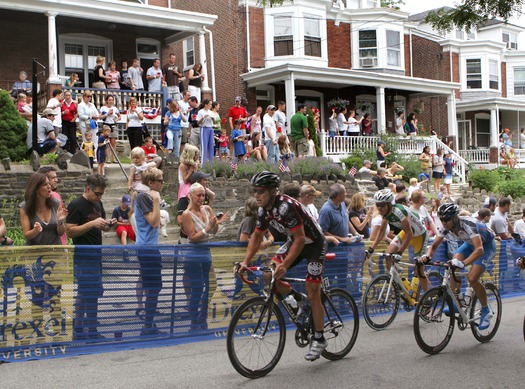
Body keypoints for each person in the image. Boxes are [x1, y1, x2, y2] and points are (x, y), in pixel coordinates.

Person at [238, 172, 328, 361]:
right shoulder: (263, 210)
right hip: (294, 240)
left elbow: (301, 238)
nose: (257, 195)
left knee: (313, 291)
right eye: (254, 191)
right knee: (268, 274)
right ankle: (295, 298)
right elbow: (256, 236)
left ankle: (319, 338)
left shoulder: (287, 206)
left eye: (260, 191)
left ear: (272, 191)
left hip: (313, 244)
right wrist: (246, 261)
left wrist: (285, 265)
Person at [420, 203, 496, 330]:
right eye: (442, 219)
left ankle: (485, 309)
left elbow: (479, 249)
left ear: (455, 218)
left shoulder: (468, 224)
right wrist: (427, 256)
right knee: (452, 265)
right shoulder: (446, 227)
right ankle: (458, 301)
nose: (444, 223)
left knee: (472, 278)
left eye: (446, 220)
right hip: (469, 244)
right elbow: (433, 246)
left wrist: (464, 263)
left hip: (485, 245)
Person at [67, 174, 114, 339]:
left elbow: (101, 227)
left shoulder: (98, 203)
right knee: (90, 292)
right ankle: (91, 330)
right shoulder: (76, 205)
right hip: (83, 254)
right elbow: (69, 231)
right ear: (87, 188)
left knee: (87, 291)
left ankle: (79, 326)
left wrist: (108, 225)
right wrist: (92, 224)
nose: (99, 197)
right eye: (97, 193)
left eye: (101, 194)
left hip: (96, 253)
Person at [181, 182, 229, 331]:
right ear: (191, 196)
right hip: (193, 253)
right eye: (199, 195)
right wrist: (207, 228)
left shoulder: (207, 209)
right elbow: (193, 237)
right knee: (197, 288)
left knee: (210, 286)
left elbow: (213, 232)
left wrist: (216, 224)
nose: (202, 198)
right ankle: (194, 322)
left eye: (203, 195)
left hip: (206, 252)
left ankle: (202, 318)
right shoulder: (186, 214)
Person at [366, 189, 430, 292]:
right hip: (406, 233)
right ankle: (400, 287)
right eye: (378, 205)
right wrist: (371, 249)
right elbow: (381, 232)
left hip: (419, 235)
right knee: (388, 255)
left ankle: (428, 297)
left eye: (382, 205)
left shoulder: (399, 211)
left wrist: (400, 252)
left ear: (389, 205)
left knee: (419, 270)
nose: (379, 208)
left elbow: (409, 234)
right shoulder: (386, 214)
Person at [134, 167, 164, 335]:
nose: (162, 184)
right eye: (159, 181)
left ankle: (149, 324)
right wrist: (157, 202)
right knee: (153, 287)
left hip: (151, 247)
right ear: (151, 183)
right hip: (146, 248)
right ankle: (147, 326)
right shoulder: (144, 197)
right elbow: (154, 222)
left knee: (155, 287)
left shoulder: (148, 197)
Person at [20, 172, 68, 245]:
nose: (49, 186)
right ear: (36, 189)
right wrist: (35, 230)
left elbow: (61, 233)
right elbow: (27, 235)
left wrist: (60, 221)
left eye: (49, 183)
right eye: (45, 184)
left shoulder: (55, 203)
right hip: (35, 253)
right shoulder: (25, 207)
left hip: (55, 252)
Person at [177, 170, 215, 244]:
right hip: (186, 240)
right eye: (204, 180)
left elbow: (206, 216)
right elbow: (180, 221)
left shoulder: (204, 199)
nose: (206, 182)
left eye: (203, 195)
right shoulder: (184, 200)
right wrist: (191, 221)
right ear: (197, 182)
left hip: (204, 244)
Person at [37, 166, 67, 245]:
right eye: (53, 178)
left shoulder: (55, 195)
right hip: (55, 243)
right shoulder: (54, 196)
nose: (56, 180)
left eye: (56, 177)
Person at [77, 90, 100, 158]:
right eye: (87, 96)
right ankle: (85, 156)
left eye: (90, 96)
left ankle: (94, 156)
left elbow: (97, 113)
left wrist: (96, 116)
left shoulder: (92, 105)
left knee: (95, 140)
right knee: (86, 140)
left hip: (93, 124)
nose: (89, 98)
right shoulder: (80, 105)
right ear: (84, 97)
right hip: (85, 125)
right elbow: (81, 116)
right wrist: (91, 116)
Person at [100, 95, 121, 163]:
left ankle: (114, 158)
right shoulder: (103, 108)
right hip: (106, 125)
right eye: (109, 100)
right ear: (107, 101)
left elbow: (119, 116)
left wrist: (116, 119)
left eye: (112, 100)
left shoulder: (115, 108)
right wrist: (107, 114)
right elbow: (100, 117)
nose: (111, 101)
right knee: (107, 143)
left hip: (113, 125)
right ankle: (108, 158)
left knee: (113, 143)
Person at [197, 99, 215, 163]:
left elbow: (215, 121)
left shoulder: (211, 112)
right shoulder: (200, 112)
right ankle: (203, 163)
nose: (211, 105)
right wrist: (203, 117)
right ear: (206, 105)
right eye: (210, 104)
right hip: (204, 128)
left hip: (210, 128)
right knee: (204, 146)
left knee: (211, 146)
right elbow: (198, 122)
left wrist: (213, 118)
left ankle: (211, 163)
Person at [61, 90, 78, 154]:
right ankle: (65, 151)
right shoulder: (62, 103)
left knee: (73, 137)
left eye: (69, 95)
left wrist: (74, 118)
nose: (67, 97)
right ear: (64, 96)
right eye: (66, 95)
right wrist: (63, 112)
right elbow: (58, 113)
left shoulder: (74, 103)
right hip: (64, 121)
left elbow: (76, 112)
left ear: (71, 96)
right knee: (64, 136)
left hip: (71, 122)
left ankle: (73, 152)